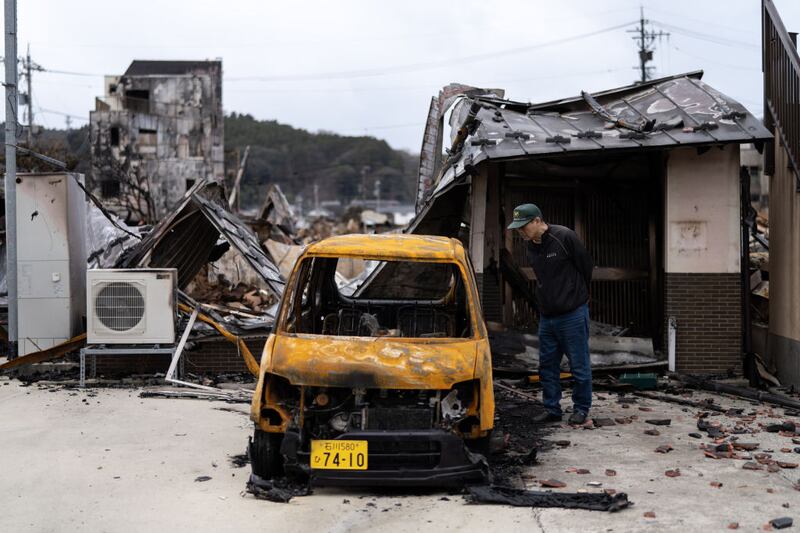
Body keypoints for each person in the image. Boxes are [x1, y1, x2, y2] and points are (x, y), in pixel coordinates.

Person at [507, 203, 594, 425]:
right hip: (547, 316)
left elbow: (585, 267)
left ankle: (581, 409)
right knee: (547, 365)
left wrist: (575, 295)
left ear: (537, 221)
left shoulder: (564, 237)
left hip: (572, 313)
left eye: (523, 226)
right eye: (517, 228)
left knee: (579, 364)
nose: (520, 232)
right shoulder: (531, 246)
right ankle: (552, 408)